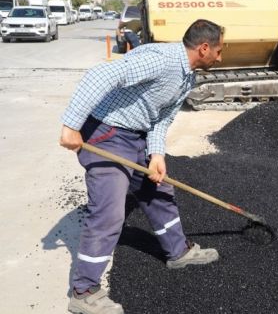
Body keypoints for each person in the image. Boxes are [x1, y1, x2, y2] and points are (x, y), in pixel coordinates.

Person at [59, 19, 224, 314]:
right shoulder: (161, 61)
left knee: (160, 192)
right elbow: (101, 75)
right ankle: (83, 292)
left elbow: (161, 118)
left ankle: (178, 253)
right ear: (204, 48)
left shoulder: (188, 76)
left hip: (137, 137)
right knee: (109, 213)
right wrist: (71, 124)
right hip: (107, 134)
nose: (220, 57)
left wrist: (156, 154)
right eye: (219, 51)